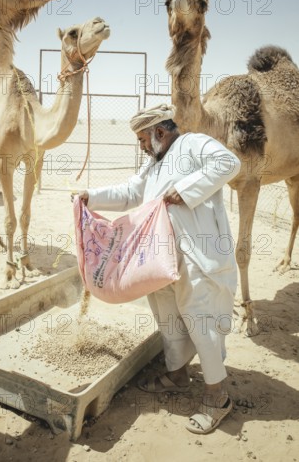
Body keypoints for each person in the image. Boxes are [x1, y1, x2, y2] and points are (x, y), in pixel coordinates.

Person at [72, 103, 241, 434]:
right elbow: (131, 192)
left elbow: (229, 163)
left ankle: (217, 397)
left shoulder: (194, 144)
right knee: (167, 315)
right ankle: (177, 374)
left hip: (198, 254)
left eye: (143, 139)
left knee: (199, 317)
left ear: (159, 132)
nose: (142, 147)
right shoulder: (154, 164)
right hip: (159, 257)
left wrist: (187, 189)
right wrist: (90, 197)